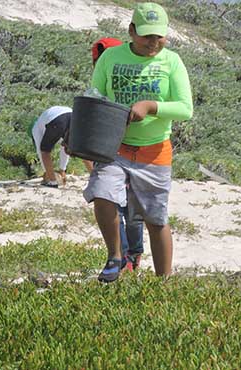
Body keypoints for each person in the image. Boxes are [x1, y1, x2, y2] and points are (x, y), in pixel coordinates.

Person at [83, 2, 193, 282]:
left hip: (155, 151)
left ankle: (163, 283)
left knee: (155, 220)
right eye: (147, 36)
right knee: (102, 192)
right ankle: (116, 257)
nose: (153, 43)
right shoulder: (110, 58)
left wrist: (151, 106)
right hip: (114, 146)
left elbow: (185, 109)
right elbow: (95, 96)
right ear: (131, 31)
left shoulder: (172, 61)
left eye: (159, 36)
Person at [92, 37, 144, 271]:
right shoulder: (99, 83)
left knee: (132, 207)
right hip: (107, 152)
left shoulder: (133, 83)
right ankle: (122, 256)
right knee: (112, 203)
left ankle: (132, 254)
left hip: (136, 152)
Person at [31, 106, 93, 188]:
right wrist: (62, 170)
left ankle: (52, 182)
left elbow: (43, 153)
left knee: (44, 151)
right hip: (73, 115)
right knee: (81, 149)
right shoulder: (45, 126)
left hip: (57, 119)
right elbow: (64, 146)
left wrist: (47, 173)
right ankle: (95, 178)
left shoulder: (35, 130)